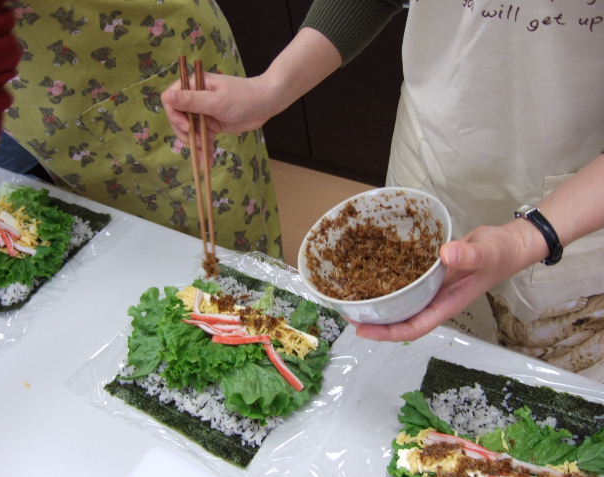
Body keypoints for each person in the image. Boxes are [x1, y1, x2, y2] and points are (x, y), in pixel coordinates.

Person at [161, 0, 604, 380]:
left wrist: (528, 237)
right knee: (421, 361)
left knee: (537, 391)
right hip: (433, 146)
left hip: (573, 203)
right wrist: (271, 88)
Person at [0, 0, 282, 259]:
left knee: (225, 255)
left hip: (146, 63)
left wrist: (271, 89)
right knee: (134, 248)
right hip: (59, 111)